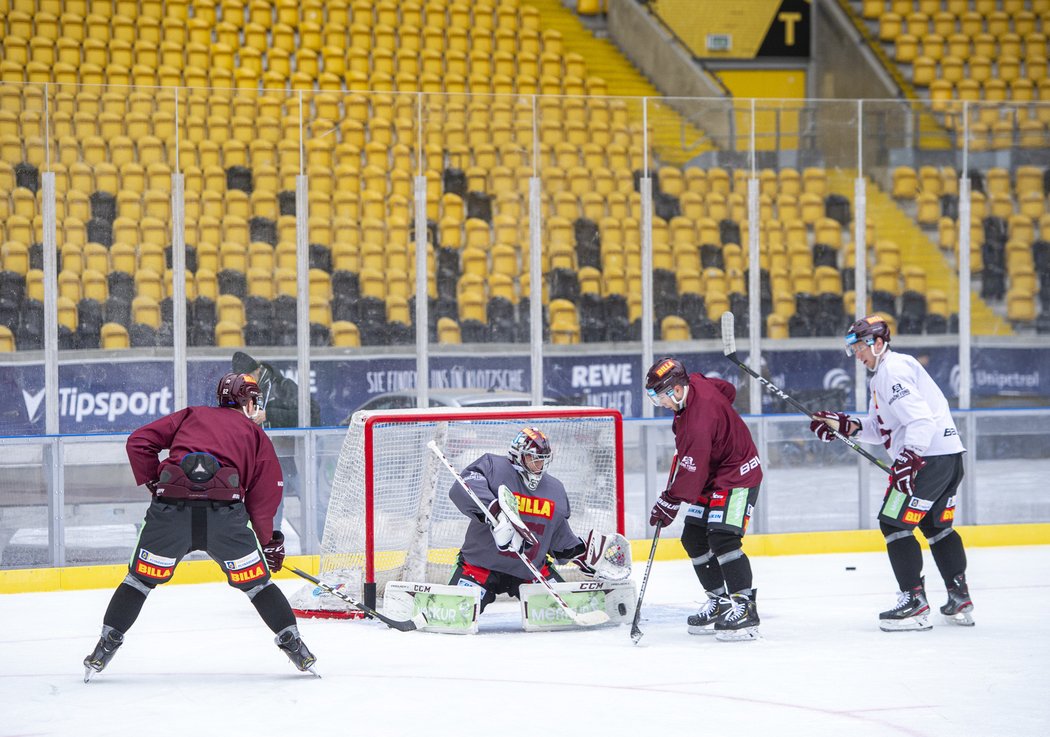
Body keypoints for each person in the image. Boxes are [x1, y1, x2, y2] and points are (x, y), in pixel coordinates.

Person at [82, 372, 317, 680]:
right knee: (259, 585)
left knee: (138, 582)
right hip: (226, 522)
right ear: (247, 400)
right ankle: (296, 647)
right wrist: (265, 541)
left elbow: (139, 442)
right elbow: (265, 496)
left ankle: (105, 646)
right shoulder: (255, 435)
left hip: (170, 516)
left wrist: (155, 481)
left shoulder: (191, 415)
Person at [809, 316, 973, 631]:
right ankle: (959, 596)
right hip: (948, 457)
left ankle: (913, 602)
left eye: (859, 346)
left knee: (893, 523)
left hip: (927, 459)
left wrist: (909, 460)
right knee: (936, 526)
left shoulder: (892, 371)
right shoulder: (888, 372)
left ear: (878, 343)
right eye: (853, 347)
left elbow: (921, 421)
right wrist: (847, 425)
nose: (856, 354)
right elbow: (883, 428)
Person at [644, 357, 763, 641]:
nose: (660, 404)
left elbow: (691, 473)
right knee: (694, 538)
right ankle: (720, 601)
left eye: (660, 396)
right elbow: (727, 390)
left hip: (738, 474)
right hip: (715, 473)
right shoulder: (695, 381)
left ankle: (745, 607)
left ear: (675, 389)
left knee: (723, 538)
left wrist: (669, 501)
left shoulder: (697, 421)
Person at [446, 428, 597, 613]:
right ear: (518, 454)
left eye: (542, 458)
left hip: (530, 572)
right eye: (533, 458)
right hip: (480, 567)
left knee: (563, 614)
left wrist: (581, 554)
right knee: (455, 614)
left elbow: (558, 534)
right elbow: (463, 486)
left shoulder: (555, 489)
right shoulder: (493, 467)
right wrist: (495, 511)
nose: (538, 464)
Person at [231, 351, 321, 536]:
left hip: (292, 459)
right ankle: (271, 547)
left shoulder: (283, 386)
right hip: (264, 462)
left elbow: (311, 414)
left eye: (248, 377)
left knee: (312, 502)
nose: (246, 382)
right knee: (271, 508)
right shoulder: (244, 393)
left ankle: (324, 541)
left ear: (257, 371)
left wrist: (270, 415)